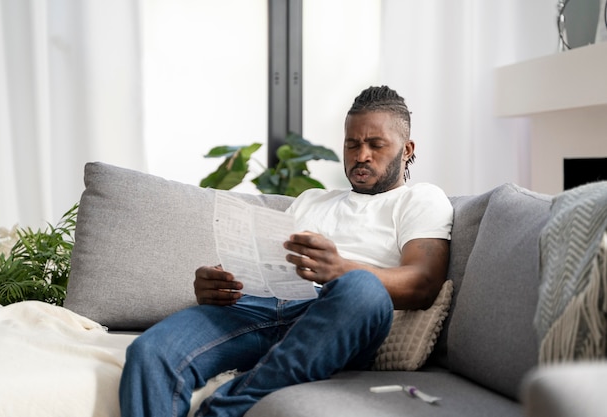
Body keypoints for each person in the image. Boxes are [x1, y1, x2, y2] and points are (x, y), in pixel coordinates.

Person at [119, 86, 453, 417]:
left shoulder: (421, 199)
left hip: (335, 319)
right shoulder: (312, 199)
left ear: (406, 149)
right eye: (352, 144)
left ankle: (224, 410)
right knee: (150, 353)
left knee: (363, 289)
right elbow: (268, 261)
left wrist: (340, 269)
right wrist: (220, 281)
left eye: (375, 145)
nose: (361, 155)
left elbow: (423, 282)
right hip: (258, 307)